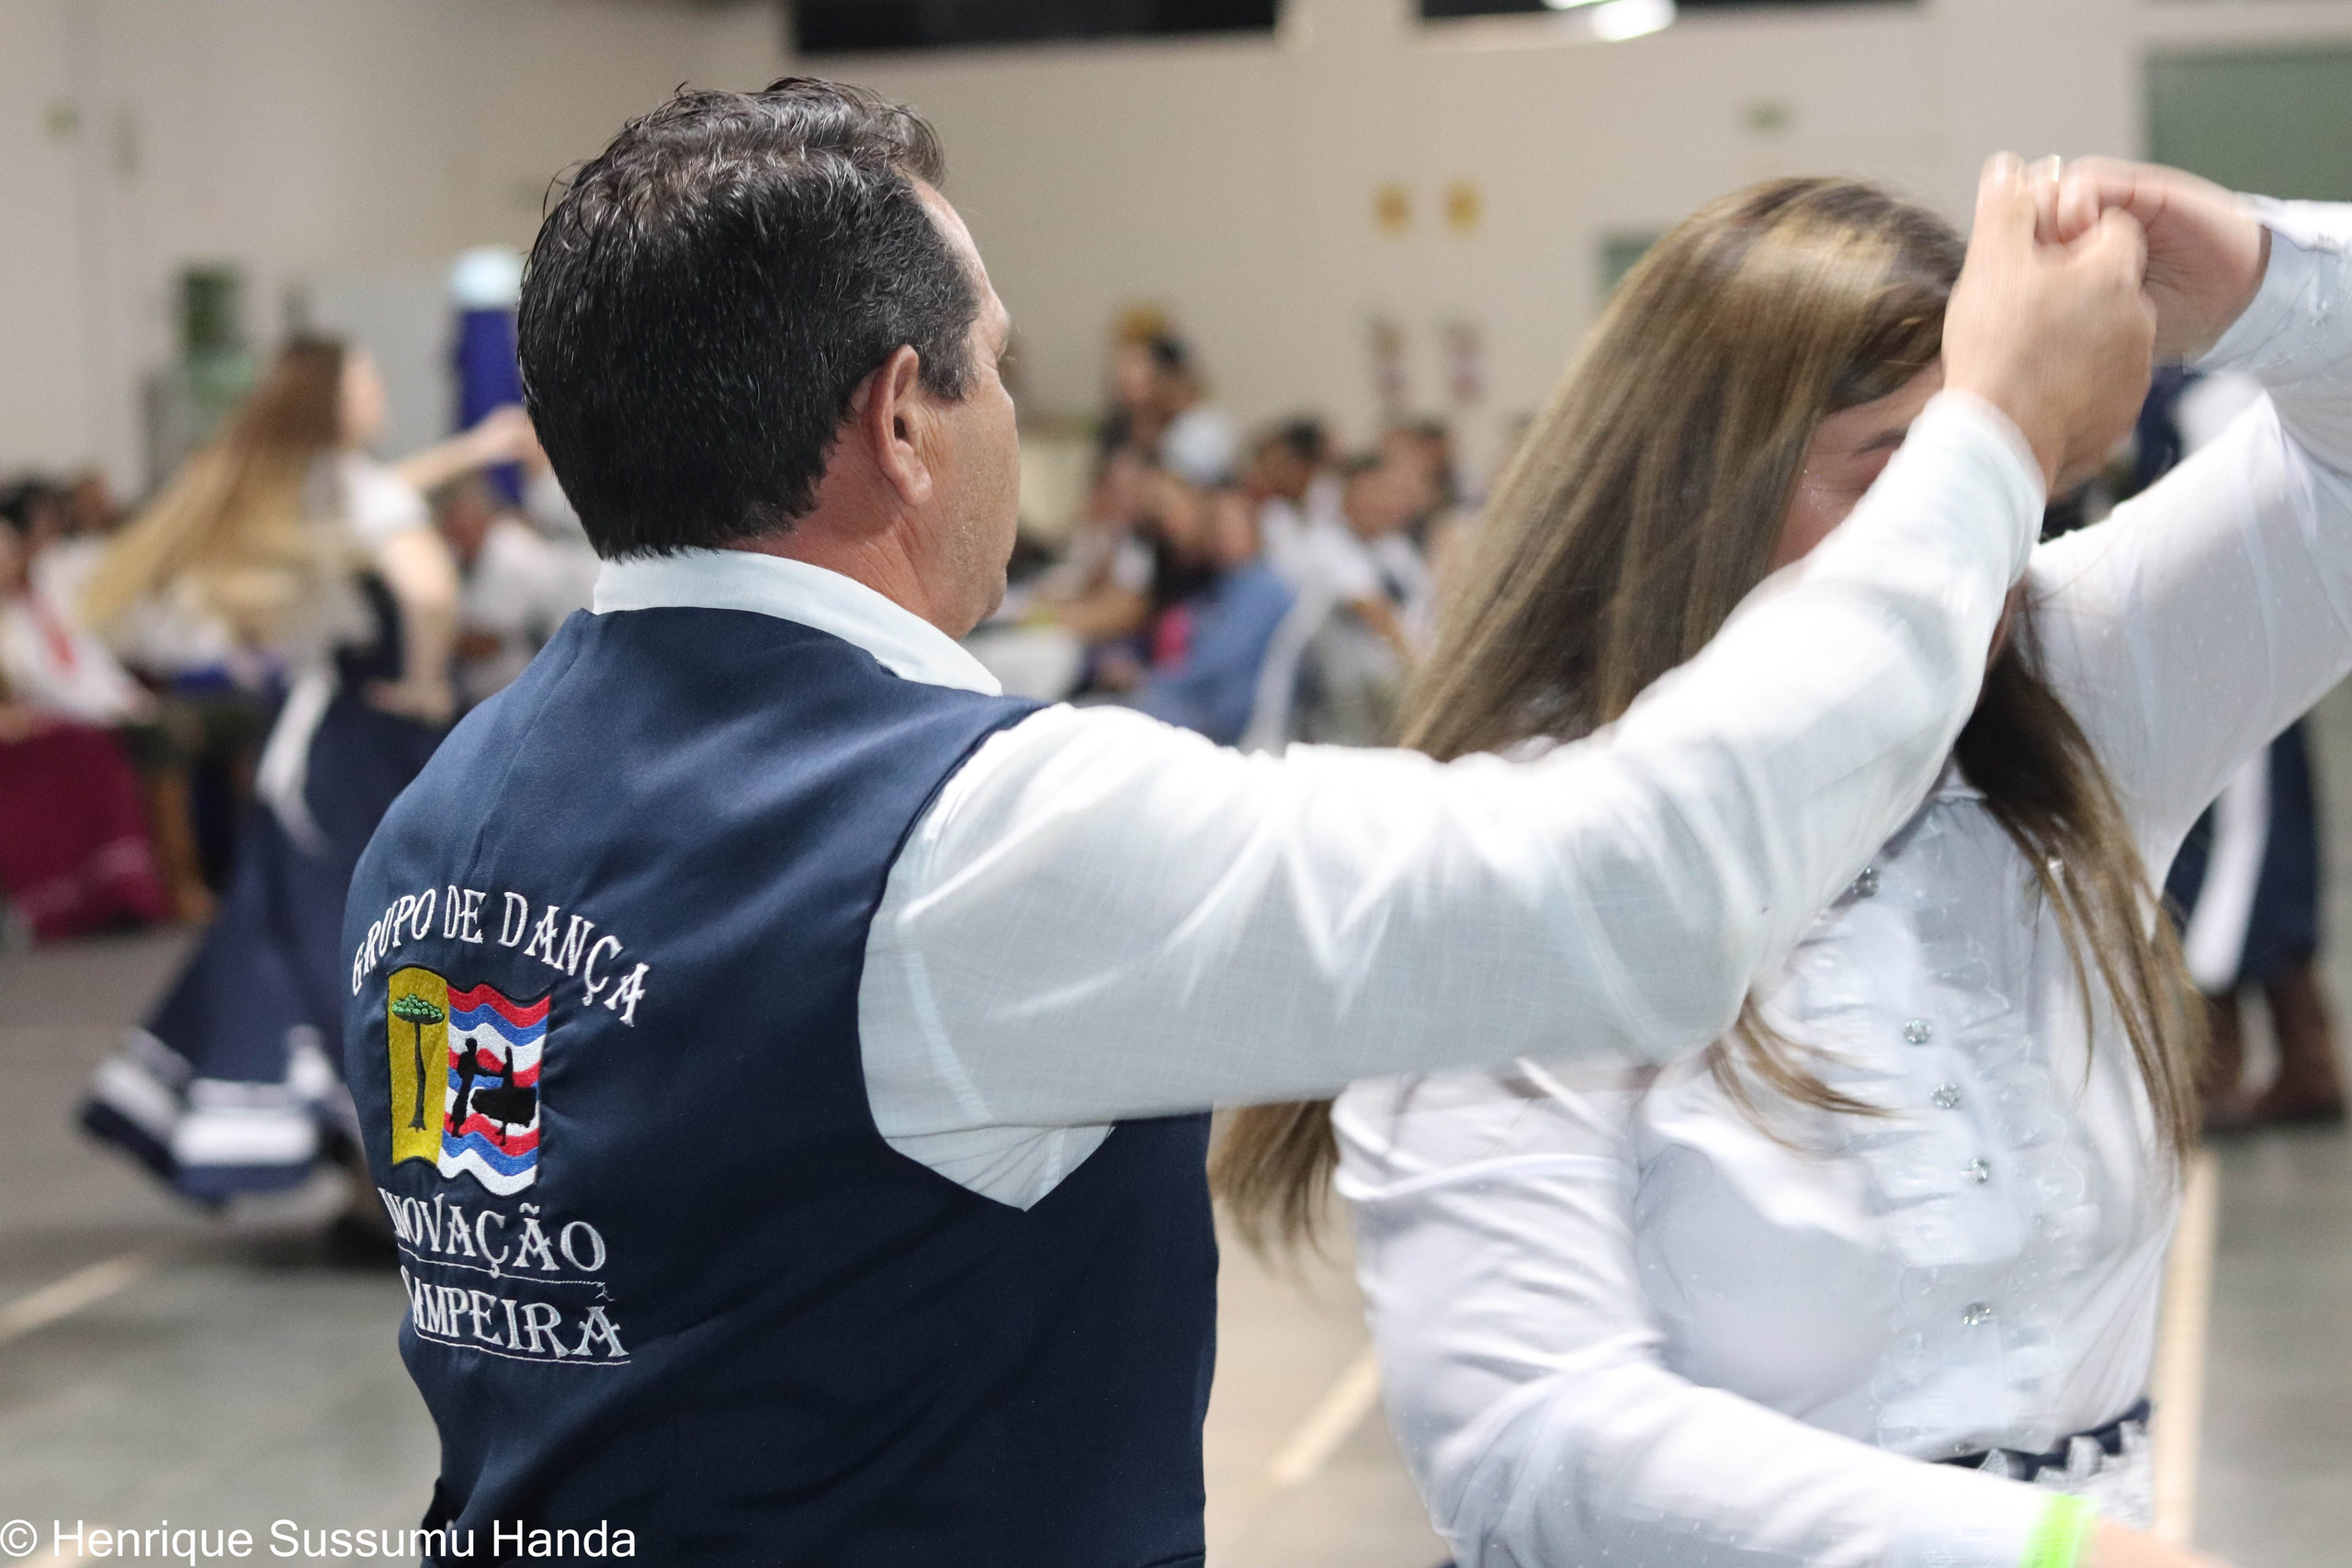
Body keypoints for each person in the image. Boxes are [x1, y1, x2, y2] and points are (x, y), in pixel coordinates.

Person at [340, 79, 2152, 1564]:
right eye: (993, 364)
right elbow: (1638, 895)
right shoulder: (972, 841)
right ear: (902, 418)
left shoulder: (438, 821)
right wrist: (1983, 442)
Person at [1218, 165, 2336, 1568]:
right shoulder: (1520, 853)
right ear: (1703, 493)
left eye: (2011, 465)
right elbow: (1535, 1439)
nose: (1985, 530)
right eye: (1909, 468)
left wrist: (2246, 271)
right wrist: (2049, 1551)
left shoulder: (2071, 679)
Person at [78, 339, 527, 1210]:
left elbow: (388, 489)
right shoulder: (362, 493)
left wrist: (472, 452)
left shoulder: (309, 485)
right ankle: (388, 1171)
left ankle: (368, 1173)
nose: (376, 387)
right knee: (385, 943)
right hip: (367, 744)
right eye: (364, 377)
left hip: (307, 752)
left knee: (303, 929)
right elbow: (428, 585)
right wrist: (430, 678)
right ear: (333, 400)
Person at [0, 503, 171, 942]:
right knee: (85, 748)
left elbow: (81, 664)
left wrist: (124, 702)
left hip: (54, 721)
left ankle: (124, 889)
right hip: (24, 733)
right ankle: (68, 898)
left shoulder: (38, 605)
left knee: (97, 742)